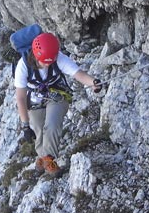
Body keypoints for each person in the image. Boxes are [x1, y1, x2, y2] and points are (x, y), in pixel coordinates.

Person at [13, 32, 102, 176]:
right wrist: (25, 125)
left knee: (52, 123)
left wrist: (93, 82)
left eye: (50, 61)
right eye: (44, 62)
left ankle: (48, 159)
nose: (48, 64)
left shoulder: (57, 57)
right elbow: (21, 98)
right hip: (35, 99)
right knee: (37, 127)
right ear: (36, 56)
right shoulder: (23, 66)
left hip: (57, 95)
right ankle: (42, 158)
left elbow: (77, 73)